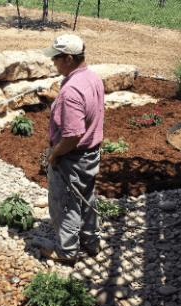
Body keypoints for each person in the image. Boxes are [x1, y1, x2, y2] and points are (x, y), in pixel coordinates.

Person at [38, 34, 104, 264]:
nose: (53, 63)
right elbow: (84, 112)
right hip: (91, 154)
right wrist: (55, 100)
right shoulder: (92, 78)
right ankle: (91, 241)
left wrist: (54, 156)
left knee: (64, 203)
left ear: (68, 59)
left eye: (55, 58)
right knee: (86, 196)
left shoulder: (71, 91)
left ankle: (66, 252)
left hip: (71, 158)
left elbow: (73, 134)